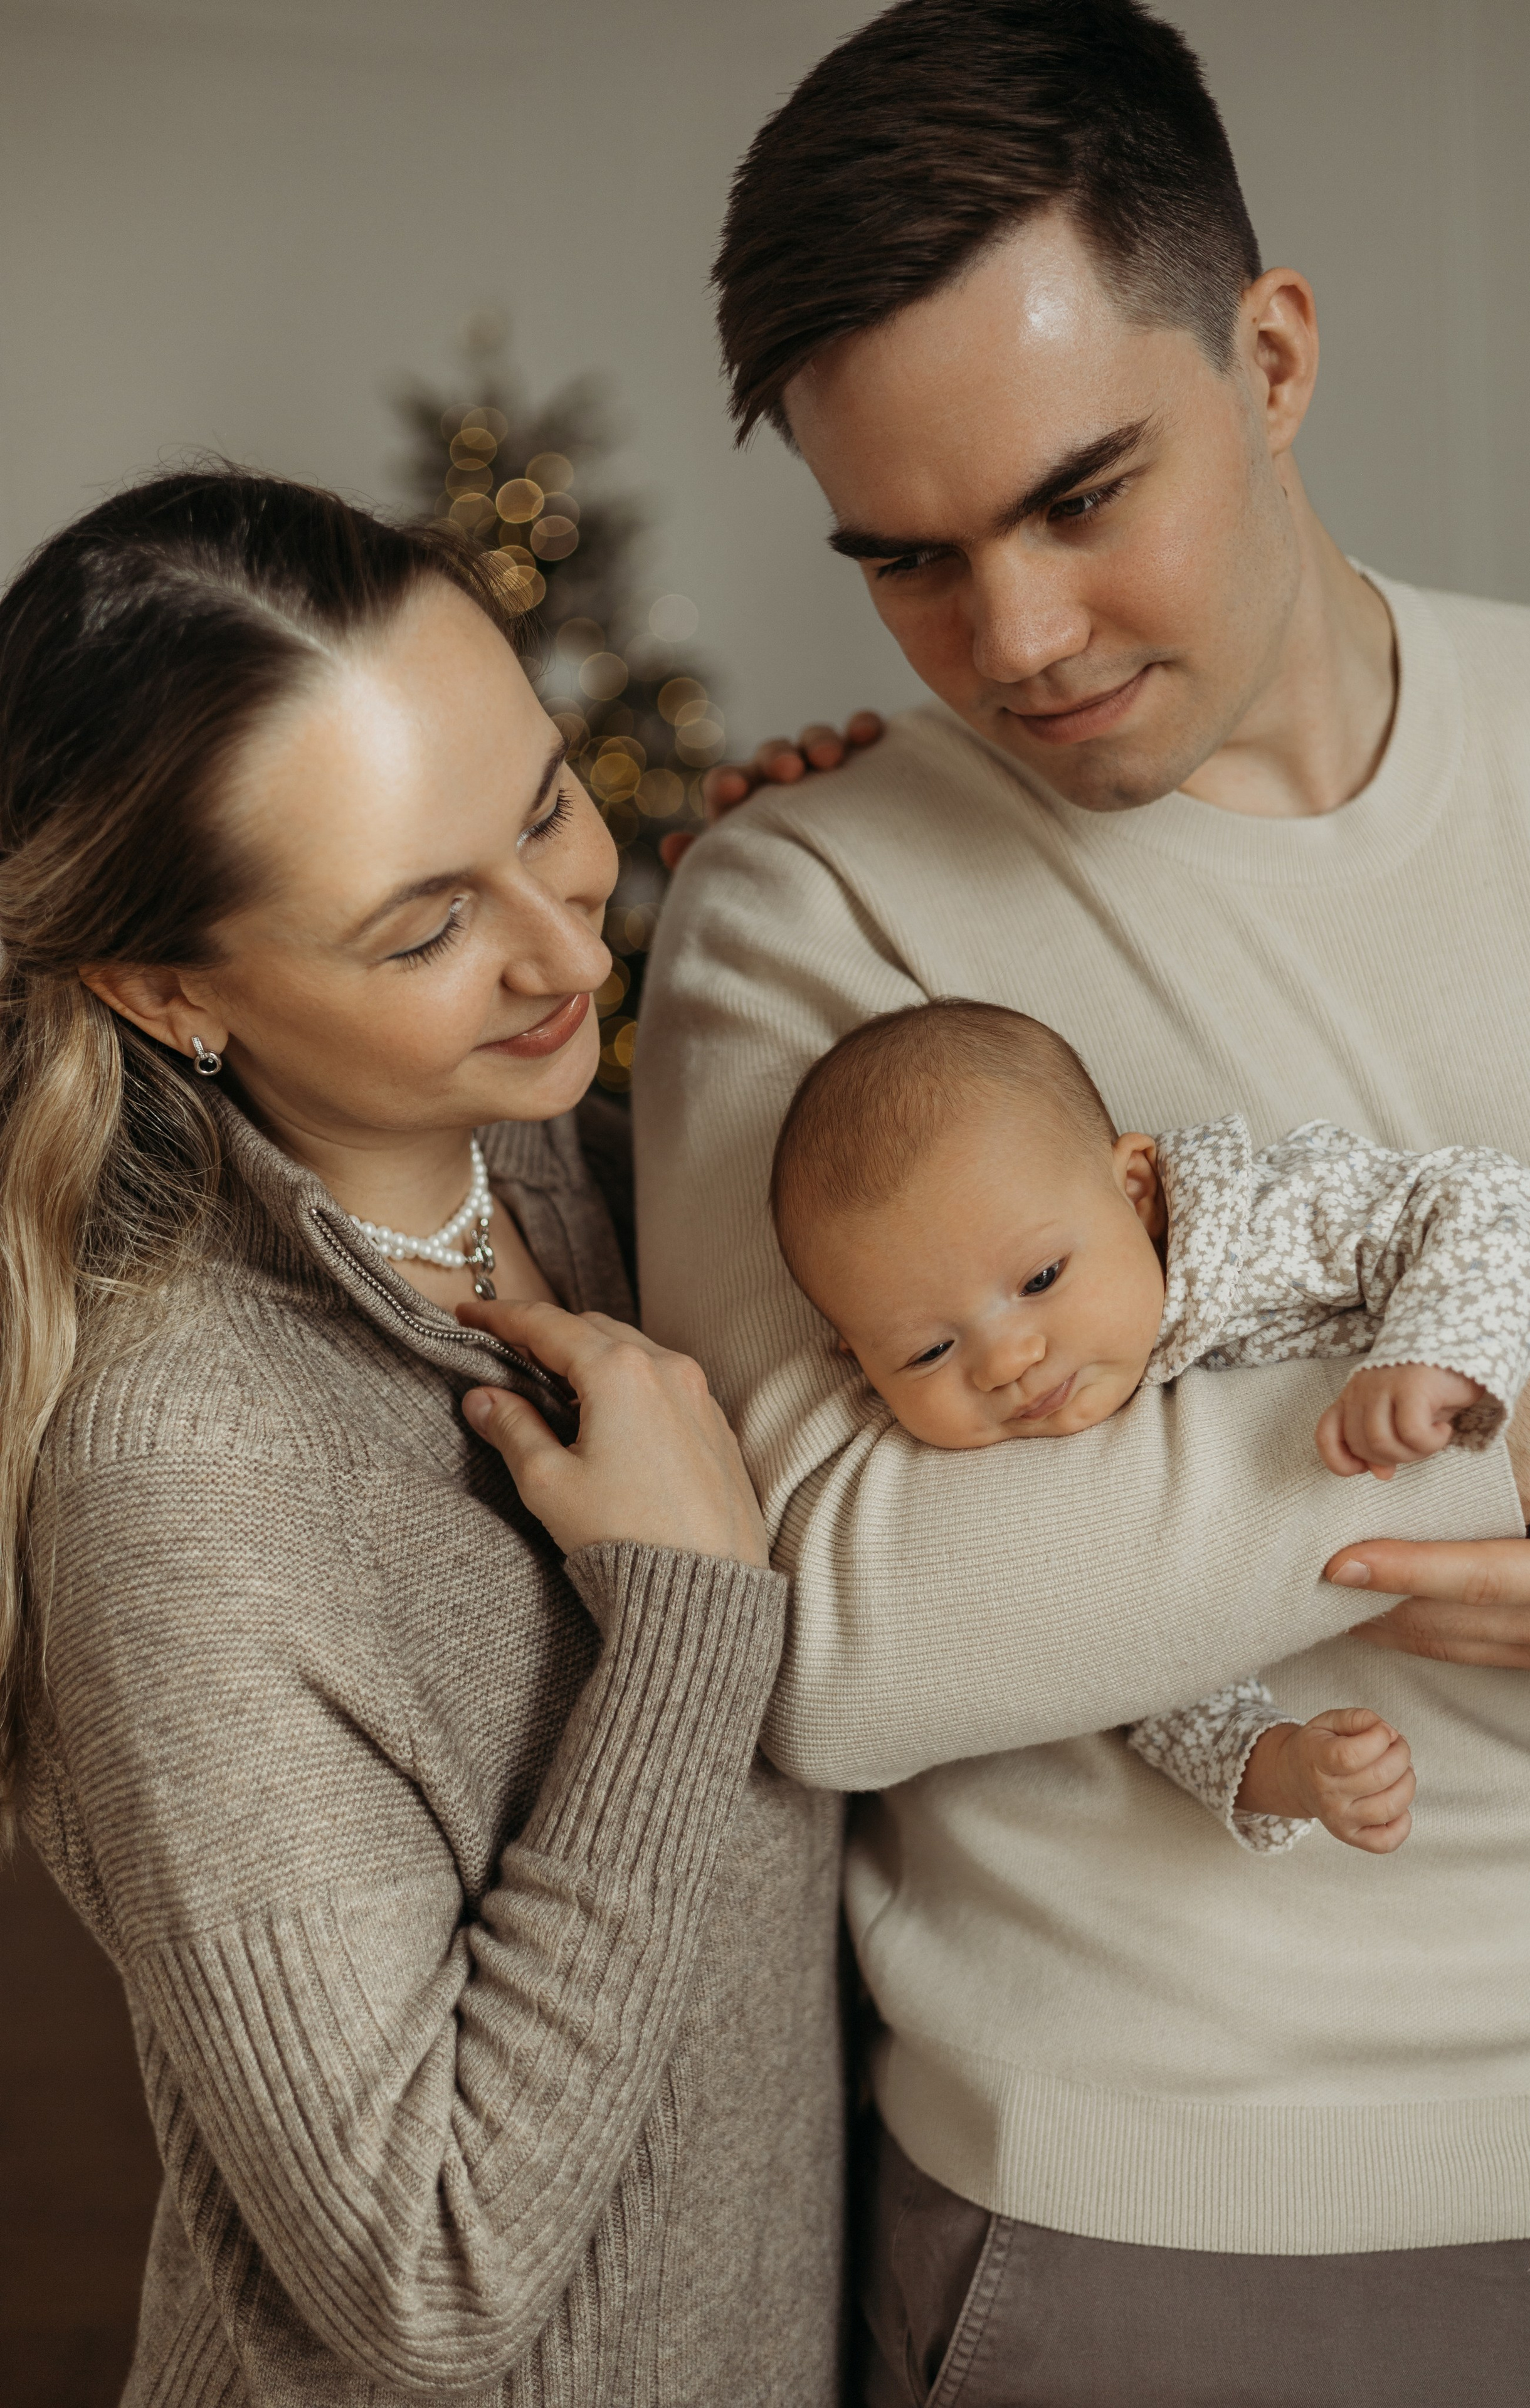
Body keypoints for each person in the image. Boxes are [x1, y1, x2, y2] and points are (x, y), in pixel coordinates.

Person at [633, 1, 1530, 2398]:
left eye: (1084, 497)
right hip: (1207, 2210)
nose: (1019, 647)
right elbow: (847, 1628)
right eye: (912, 562)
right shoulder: (803, 911)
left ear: (1270, 354)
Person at [0, 468, 845, 2406]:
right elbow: (426, 2273)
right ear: (164, 990)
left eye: (547, 806)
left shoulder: (599, 1184)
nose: (570, 947)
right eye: (422, 929)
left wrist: (862, 884)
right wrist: (689, 1628)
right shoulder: (184, 1483)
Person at [768, 995, 1530, 1857]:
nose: (1008, 1359)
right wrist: (1281, 1766)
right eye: (929, 1350)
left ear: (1136, 1192)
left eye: (1043, 1276)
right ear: (858, 1364)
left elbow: (1485, 1197)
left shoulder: (1259, 1221)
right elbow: (1152, 1665)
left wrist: (1441, 1349)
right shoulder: (1062, 1463)